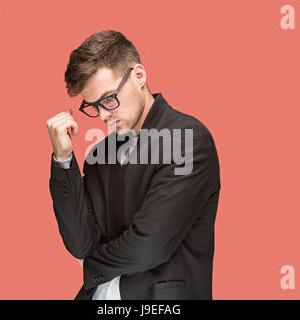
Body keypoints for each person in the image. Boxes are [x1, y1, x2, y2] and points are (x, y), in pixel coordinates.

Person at [46, 30, 221, 300]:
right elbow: (81, 242)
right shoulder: (100, 155)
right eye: (93, 106)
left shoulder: (188, 140)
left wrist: (91, 265)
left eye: (108, 99)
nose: (103, 115)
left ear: (139, 75)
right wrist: (63, 160)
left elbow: (149, 247)